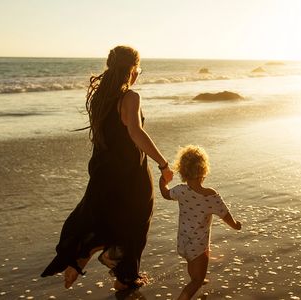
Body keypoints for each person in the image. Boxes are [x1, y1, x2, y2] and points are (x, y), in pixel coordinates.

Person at [41, 46, 174, 291]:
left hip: (103, 169)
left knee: (105, 214)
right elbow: (136, 132)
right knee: (137, 219)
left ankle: (85, 258)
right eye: (138, 70)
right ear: (132, 70)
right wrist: (164, 164)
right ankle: (123, 275)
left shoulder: (100, 97)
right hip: (130, 171)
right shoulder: (130, 97)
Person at [159, 145, 241, 300]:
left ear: (182, 171)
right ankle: (193, 285)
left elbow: (165, 194)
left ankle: (196, 278)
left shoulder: (180, 190)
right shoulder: (210, 196)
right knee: (198, 279)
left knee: (193, 263)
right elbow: (225, 216)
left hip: (182, 242)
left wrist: (162, 182)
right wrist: (236, 225)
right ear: (204, 170)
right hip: (198, 245)